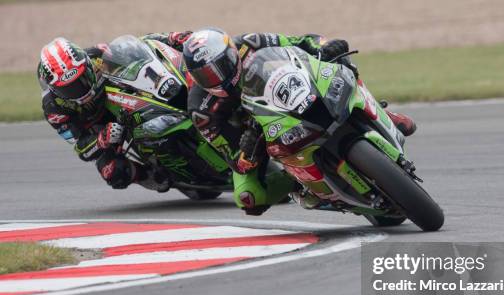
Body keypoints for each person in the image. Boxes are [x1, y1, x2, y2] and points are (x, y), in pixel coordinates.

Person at [182, 28, 417, 215]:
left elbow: (303, 41)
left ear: (231, 52)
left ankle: (380, 114)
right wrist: (247, 149)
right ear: (196, 77)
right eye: (207, 74)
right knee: (249, 198)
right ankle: (302, 187)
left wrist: (325, 46)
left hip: (287, 96)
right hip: (258, 137)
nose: (218, 76)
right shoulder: (202, 111)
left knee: (341, 63)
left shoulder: (251, 42)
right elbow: (235, 161)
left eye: (221, 66)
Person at [37, 32, 192, 191]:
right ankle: (148, 174)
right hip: (99, 126)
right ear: (55, 90)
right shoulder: (54, 110)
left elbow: (139, 45)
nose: (81, 88)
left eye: (83, 77)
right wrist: (101, 139)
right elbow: (82, 149)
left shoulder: (96, 55)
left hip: (120, 99)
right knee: (112, 171)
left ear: (87, 65)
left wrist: (170, 38)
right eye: (70, 89)